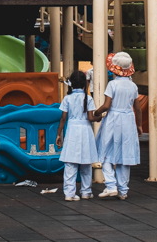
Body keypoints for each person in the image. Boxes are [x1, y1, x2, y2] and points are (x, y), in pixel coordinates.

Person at [91, 52, 141, 200]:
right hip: (128, 119)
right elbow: (137, 108)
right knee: (125, 156)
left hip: (113, 119)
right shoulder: (133, 86)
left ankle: (111, 185)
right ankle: (123, 190)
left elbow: (107, 105)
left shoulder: (112, 84)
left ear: (115, 69)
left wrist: (96, 112)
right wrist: (139, 125)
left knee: (106, 152)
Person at [55, 70, 97, 201]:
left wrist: (58, 134)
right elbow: (90, 117)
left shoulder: (67, 98)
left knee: (70, 163)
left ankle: (69, 193)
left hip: (72, 130)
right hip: (86, 131)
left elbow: (63, 118)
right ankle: (86, 191)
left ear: (71, 83)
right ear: (85, 84)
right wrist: (98, 117)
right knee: (86, 162)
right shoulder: (88, 98)